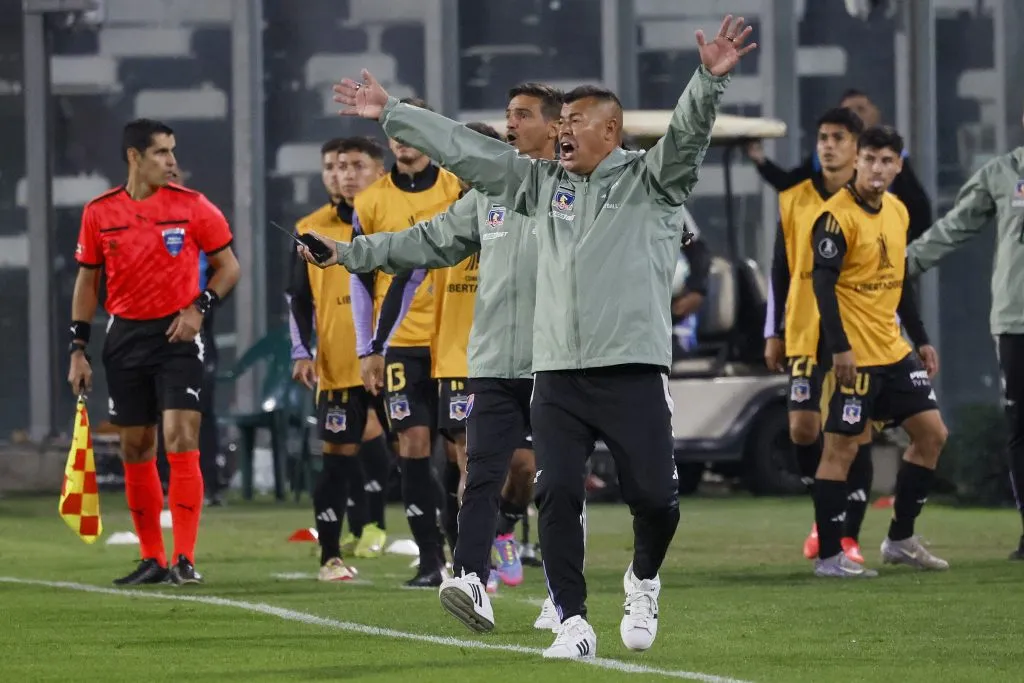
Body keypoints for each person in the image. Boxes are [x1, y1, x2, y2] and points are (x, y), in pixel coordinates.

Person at [329, 14, 755, 658]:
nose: (561, 135)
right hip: (555, 372)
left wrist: (708, 80)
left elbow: (689, 132)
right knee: (555, 491)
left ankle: (642, 579)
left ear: (610, 130)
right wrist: (395, 114)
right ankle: (574, 622)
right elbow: (473, 153)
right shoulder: (537, 187)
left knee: (656, 499)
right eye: (557, 126)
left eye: (573, 123)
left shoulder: (654, 182)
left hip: (632, 369)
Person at [301, 84, 562, 631]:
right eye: (507, 114)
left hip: (555, 360)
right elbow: (414, 251)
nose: (510, 124)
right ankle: (466, 576)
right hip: (479, 360)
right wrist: (350, 259)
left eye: (522, 115)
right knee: (475, 468)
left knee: (552, 475)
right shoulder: (474, 205)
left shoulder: (571, 190)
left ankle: (563, 588)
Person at [67, 119, 240, 585]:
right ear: (134, 157)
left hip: (178, 337)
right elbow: (87, 281)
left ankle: (184, 557)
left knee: (181, 436)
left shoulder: (193, 207)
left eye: (172, 151)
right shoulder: (99, 212)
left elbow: (228, 267)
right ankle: (152, 558)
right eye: (162, 152)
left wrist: (199, 307)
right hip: (124, 338)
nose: (172, 161)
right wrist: (77, 349)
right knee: (136, 445)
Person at [809, 126, 948, 578]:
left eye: (887, 161)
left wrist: (921, 337)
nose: (878, 169)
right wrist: (840, 349)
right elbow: (823, 287)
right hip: (857, 358)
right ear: (856, 161)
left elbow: (899, 281)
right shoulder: (835, 217)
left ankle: (900, 538)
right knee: (841, 452)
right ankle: (830, 555)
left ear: (898, 166)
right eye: (870, 159)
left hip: (894, 351)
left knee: (932, 435)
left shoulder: (898, 211)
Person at [350, 97, 464, 588]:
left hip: (457, 338)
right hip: (400, 340)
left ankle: (469, 555)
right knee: (413, 445)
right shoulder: (371, 201)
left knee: (464, 452)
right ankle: (430, 560)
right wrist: (366, 348)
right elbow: (360, 277)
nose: (401, 139)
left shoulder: (457, 186)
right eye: (394, 130)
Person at [904, 108, 1024, 560]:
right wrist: (901, 265)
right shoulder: (1003, 172)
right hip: (1017, 320)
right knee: (1020, 427)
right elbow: (955, 226)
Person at [763, 107, 877, 563]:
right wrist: (773, 330)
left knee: (856, 432)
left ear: (856, 148)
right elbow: (780, 268)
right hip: (805, 328)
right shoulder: (793, 199)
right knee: (803, 428)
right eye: (823, 137)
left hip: (858, 330)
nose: (827, 145)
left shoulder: (871, 201)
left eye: (838, 138)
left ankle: (848, 536)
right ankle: (822, 515)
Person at [287, 136, 391, 581]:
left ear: (378, 171)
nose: (342, 174)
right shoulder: (310, 225)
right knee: (337, 457)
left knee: (426, 453)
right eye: (333, 166)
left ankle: (439, 553)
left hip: (399, 357)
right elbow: (296, 297)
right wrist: (300, 350)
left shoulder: (399, 218)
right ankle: (330, 554)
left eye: (354, 165)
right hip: (340, 364)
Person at [747, 89, 933, 242]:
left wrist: (901, 252)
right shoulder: (822, 160)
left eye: (861, 109)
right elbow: (790, 184)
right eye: (849, 111)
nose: (855, 117)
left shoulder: (892, 158)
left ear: (876, 114)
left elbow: (920, 212)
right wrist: (760, 160)